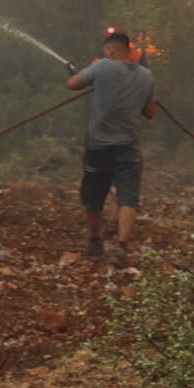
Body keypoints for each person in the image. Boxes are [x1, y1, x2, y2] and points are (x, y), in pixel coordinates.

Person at [66, 25, 157, 268]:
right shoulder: (146, 76)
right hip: (128, 148)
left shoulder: (103, 66)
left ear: (110, 51)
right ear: (129, 50)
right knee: (128, 198)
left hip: (98, 148)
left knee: (93, 197)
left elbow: (72, 84)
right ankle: (122, 246)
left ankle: (95, 242)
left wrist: (92, 73)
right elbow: (150, 113)